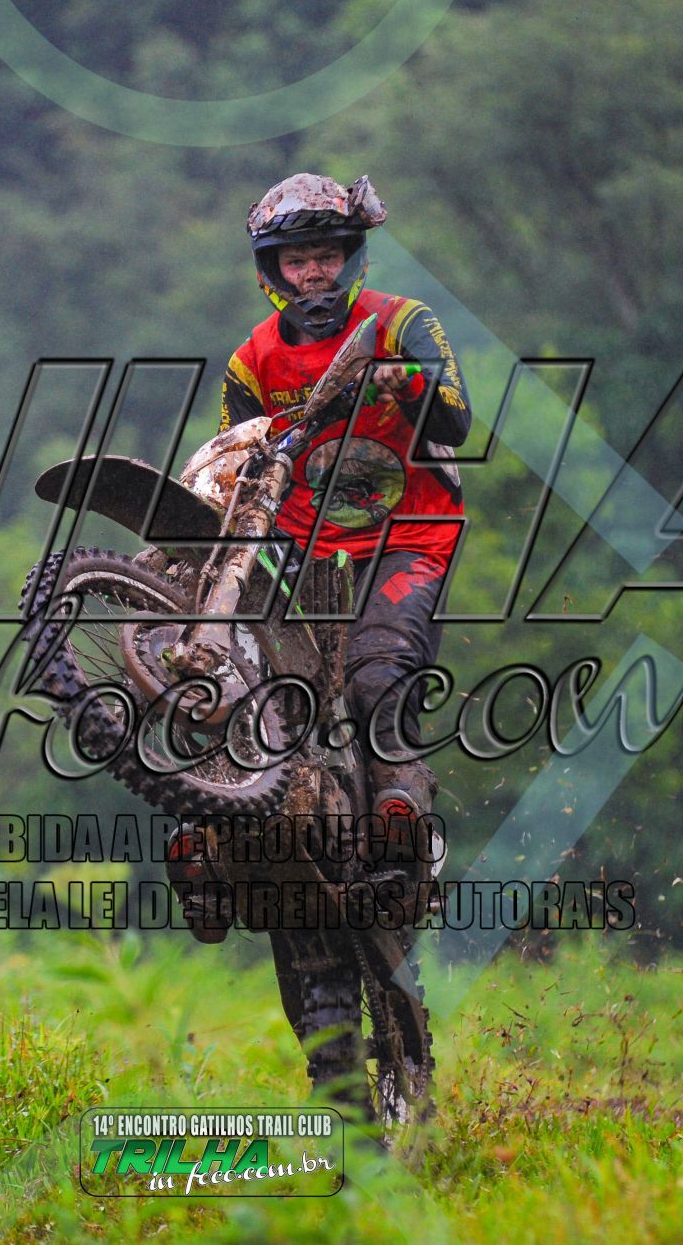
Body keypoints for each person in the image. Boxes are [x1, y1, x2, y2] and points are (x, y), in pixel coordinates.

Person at [218, 171, 470, 877]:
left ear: (351, 255)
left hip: (410, 535)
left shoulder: (403, 322)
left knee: (377, 671)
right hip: (302, 546)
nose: (312, 273)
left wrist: (403, 379)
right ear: (273, 270)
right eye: (297, 260)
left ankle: (405, 818)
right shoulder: (251, 361)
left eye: (326, 255)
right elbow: (235, 462)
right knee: (243, 677)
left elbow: (456, 418)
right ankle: (215, 832)